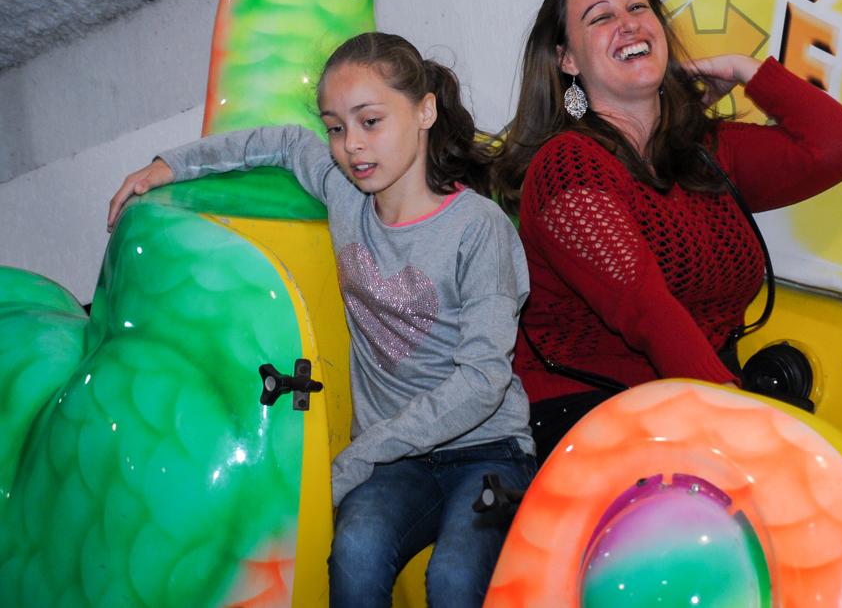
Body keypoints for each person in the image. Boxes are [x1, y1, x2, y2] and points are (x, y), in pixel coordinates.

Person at [108, 33, 535, 608]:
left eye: (370, 121)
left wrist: (362, 453)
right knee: (354, 552)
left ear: (425, 110)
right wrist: (168, 165)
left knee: (456, 578)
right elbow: (282, 142)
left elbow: (483, 380)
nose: (351, 146)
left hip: (493, 455)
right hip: (397, 463)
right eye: (336, 128)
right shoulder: (345, 195)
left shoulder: (477, 228)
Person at [492, 0, 842, 463]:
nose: (627, 22)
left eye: (638, 6)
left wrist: (745, 69)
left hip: (688, 404)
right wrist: (735, 418)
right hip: (587, 415)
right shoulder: (568, 165)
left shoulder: (705, 152)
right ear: (567, 60)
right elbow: (646, 309)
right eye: (600, 17)